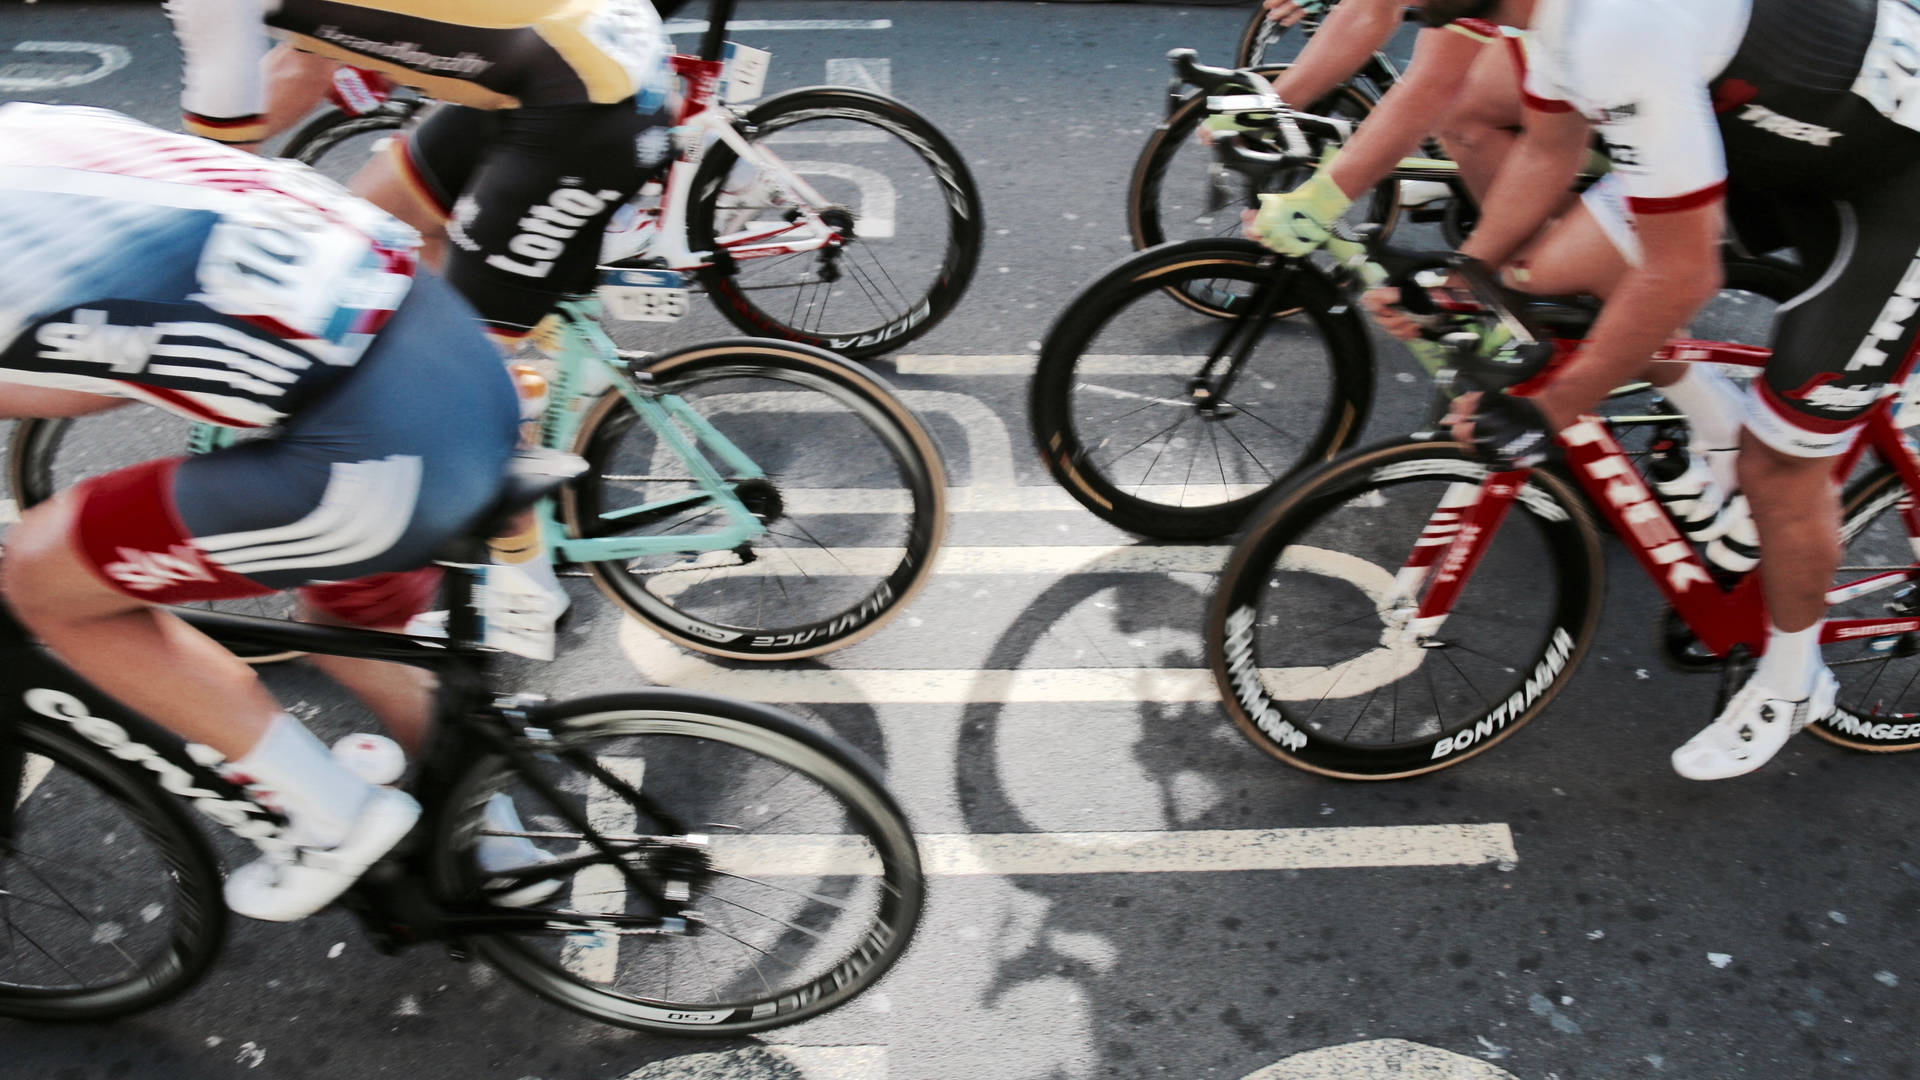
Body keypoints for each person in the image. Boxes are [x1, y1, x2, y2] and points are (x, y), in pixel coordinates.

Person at [1365, 0, 1920, 779]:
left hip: (1899, 195)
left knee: (1779, 468)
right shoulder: (1556, 19)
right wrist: (1462, 280)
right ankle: (1712, 411)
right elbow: (1550, 151)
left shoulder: (1618, 29)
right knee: (1550, 278)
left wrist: (1545, 411)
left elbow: (1683, 271)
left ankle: (1796, 680)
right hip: (1791, 147)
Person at [0, 102, 526, 919]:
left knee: (44, 577)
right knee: (352, 625)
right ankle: (496, 854)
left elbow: (72, 386)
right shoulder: (28, 128)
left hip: (372, 451)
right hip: (443, 349)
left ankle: (334, 820)